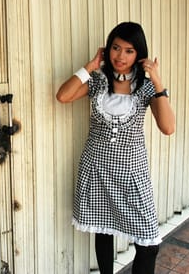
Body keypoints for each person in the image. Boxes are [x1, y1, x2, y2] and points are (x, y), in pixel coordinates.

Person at [56, 22, 175, 274]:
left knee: (148, 244)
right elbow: (63, 96)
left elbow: (168, 127)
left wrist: (156, 79)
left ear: (139, 54)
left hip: (132, 173)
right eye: (116, 48)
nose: (120, 56)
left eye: (129, 50)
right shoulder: (98, 82)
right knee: (103, 230)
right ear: (107, 49)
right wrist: (90, 66)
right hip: (97, 168)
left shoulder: (145, 87)